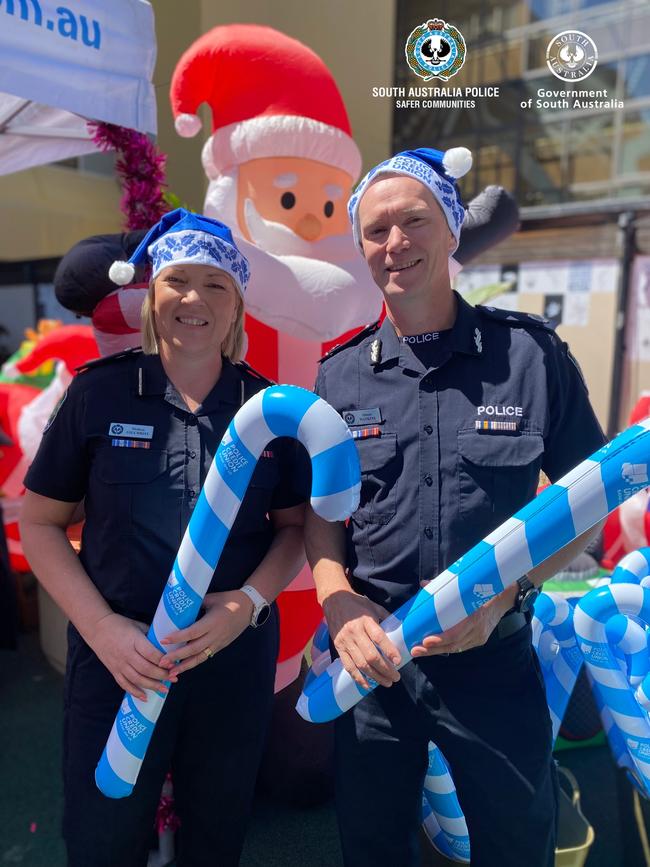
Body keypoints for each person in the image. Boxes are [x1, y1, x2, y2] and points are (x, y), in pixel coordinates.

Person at [304, 148, 607, 867]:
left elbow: (587, 505)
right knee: (374, 846)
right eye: (376, 231)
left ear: (450, 231)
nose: (395, 244)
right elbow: (319, 513)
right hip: (372, 663)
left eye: (414, 220)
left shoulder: (529, 356)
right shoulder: (336, 372)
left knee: (515, 842)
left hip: (493, 654)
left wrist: (504, 596)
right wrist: (337, 599)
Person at [20, 209, 308, 867]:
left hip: (229, 664)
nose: (194, 299)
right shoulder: (99, 395)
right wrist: (99, 628)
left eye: (215, 284)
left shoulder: (270, 407)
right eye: (178, 280)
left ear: (237, 306)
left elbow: (293, 531)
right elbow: (39, 522)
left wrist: (248, 604)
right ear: (152, 295)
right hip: (117, 661)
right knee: (102, 839)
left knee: (217, 836)